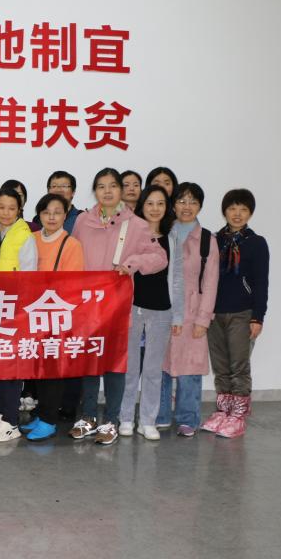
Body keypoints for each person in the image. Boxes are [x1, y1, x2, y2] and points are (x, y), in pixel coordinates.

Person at [69, 168, 167, 446]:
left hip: (116, 306)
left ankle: (111, 420)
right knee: (89, 361)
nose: (107, 191)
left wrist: (132, 264)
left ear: (121, 190)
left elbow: (159, 257)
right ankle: (88, 416)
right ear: (95, 191)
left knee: (113, 364)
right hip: (87, 305)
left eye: (112, 186)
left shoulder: (136, 224)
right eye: (101, 186)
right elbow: (73, 254)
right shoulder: (83, 221)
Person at [18, 193, 85, 442]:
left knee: (53, 370)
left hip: (57, 315)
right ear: (39, 215)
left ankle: (49, 421)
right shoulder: (32, 239)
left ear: (65, 215)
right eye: (46, 212)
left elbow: (72, 284)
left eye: (57, 212)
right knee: (38, 369)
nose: (52, 217)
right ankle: (41, 413)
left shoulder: (72, 244)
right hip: (33, 313)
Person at [203, 189, 268, 439]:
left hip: (242, 313)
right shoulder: (214, 240)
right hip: (214, 313)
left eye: (243, 209)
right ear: (225, 211)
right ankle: (223, 410)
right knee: (220, 366)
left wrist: (258, 316)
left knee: (239, 366)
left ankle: (238, 415)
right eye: (232, 208)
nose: (237, 214)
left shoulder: (256, 242)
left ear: (250, 213)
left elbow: (261, 282)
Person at [158, 182, 220, 438]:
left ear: (200, 206)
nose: (187, 206)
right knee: (160, 366)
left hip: (193, 313)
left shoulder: (207, 240)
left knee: (190, 369)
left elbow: (211, 282)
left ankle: (188, 418)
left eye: (193, 202)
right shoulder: (162, 233)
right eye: (182, 201)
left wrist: (203, 320)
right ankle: (159, 415)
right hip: (162, 310)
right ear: (173, 204)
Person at [116, 185, 176, 441]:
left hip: (161, 310)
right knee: (130, 368)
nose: (155, 208)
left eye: (160, 203)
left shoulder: (172, 239)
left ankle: (148, 421)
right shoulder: (132, 234)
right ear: (142, 206)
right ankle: (126, 418)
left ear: (167, 207)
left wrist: (178, 314)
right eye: (150, 203)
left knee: (153, 370)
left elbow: (178, 279)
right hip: (132, 308)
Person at [0, 188, 35, 443]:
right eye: (1, 207)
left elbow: (30, 277)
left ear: (19, 209)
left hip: (15, 309)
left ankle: (12, 422)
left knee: (11, 365)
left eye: (12, 208)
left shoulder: (25, 235)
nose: (6, 212)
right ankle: (1, 413)